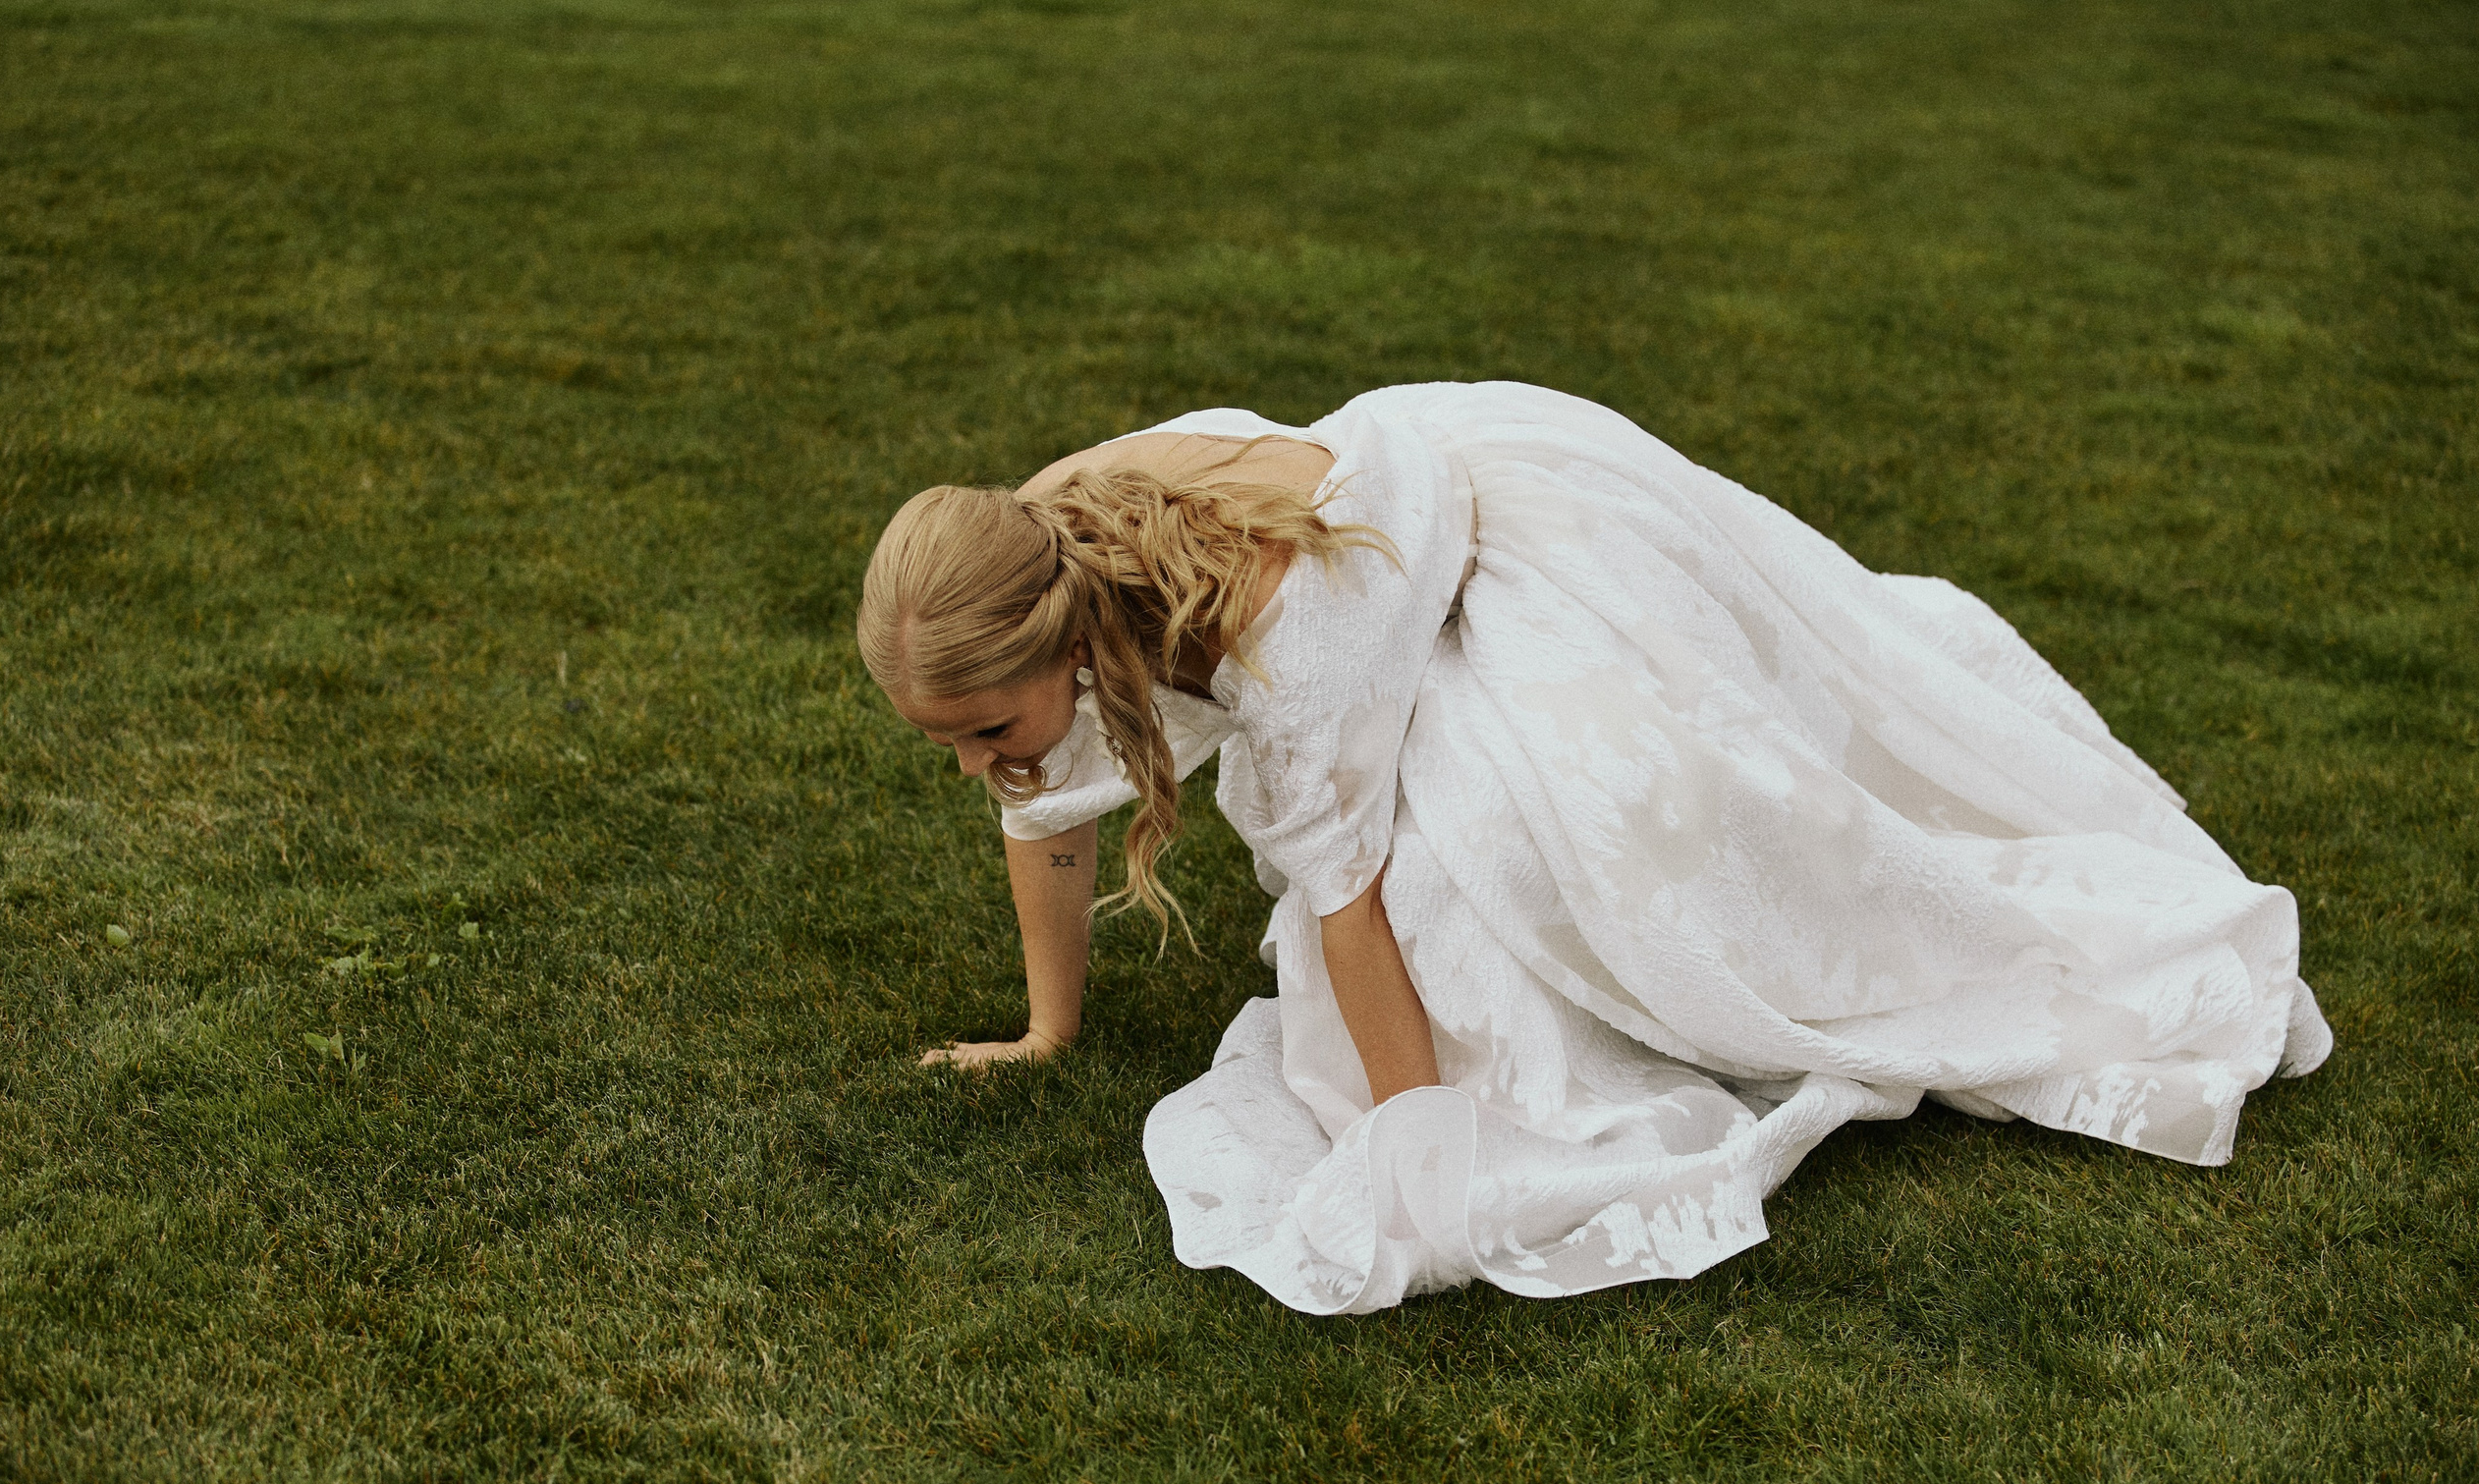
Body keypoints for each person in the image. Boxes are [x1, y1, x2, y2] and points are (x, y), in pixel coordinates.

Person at [855, 381, 2329, 1316]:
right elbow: (1040, 807)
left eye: (984, 728)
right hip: (1391, 556)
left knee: (1580, 838)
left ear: (1064, 645)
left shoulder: (1279, 648)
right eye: (947, 744)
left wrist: (1414, 1150)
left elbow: (1351, 903)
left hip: (1515, 555)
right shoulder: (1029, 554)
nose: (980, 764)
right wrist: (1048, 1031)